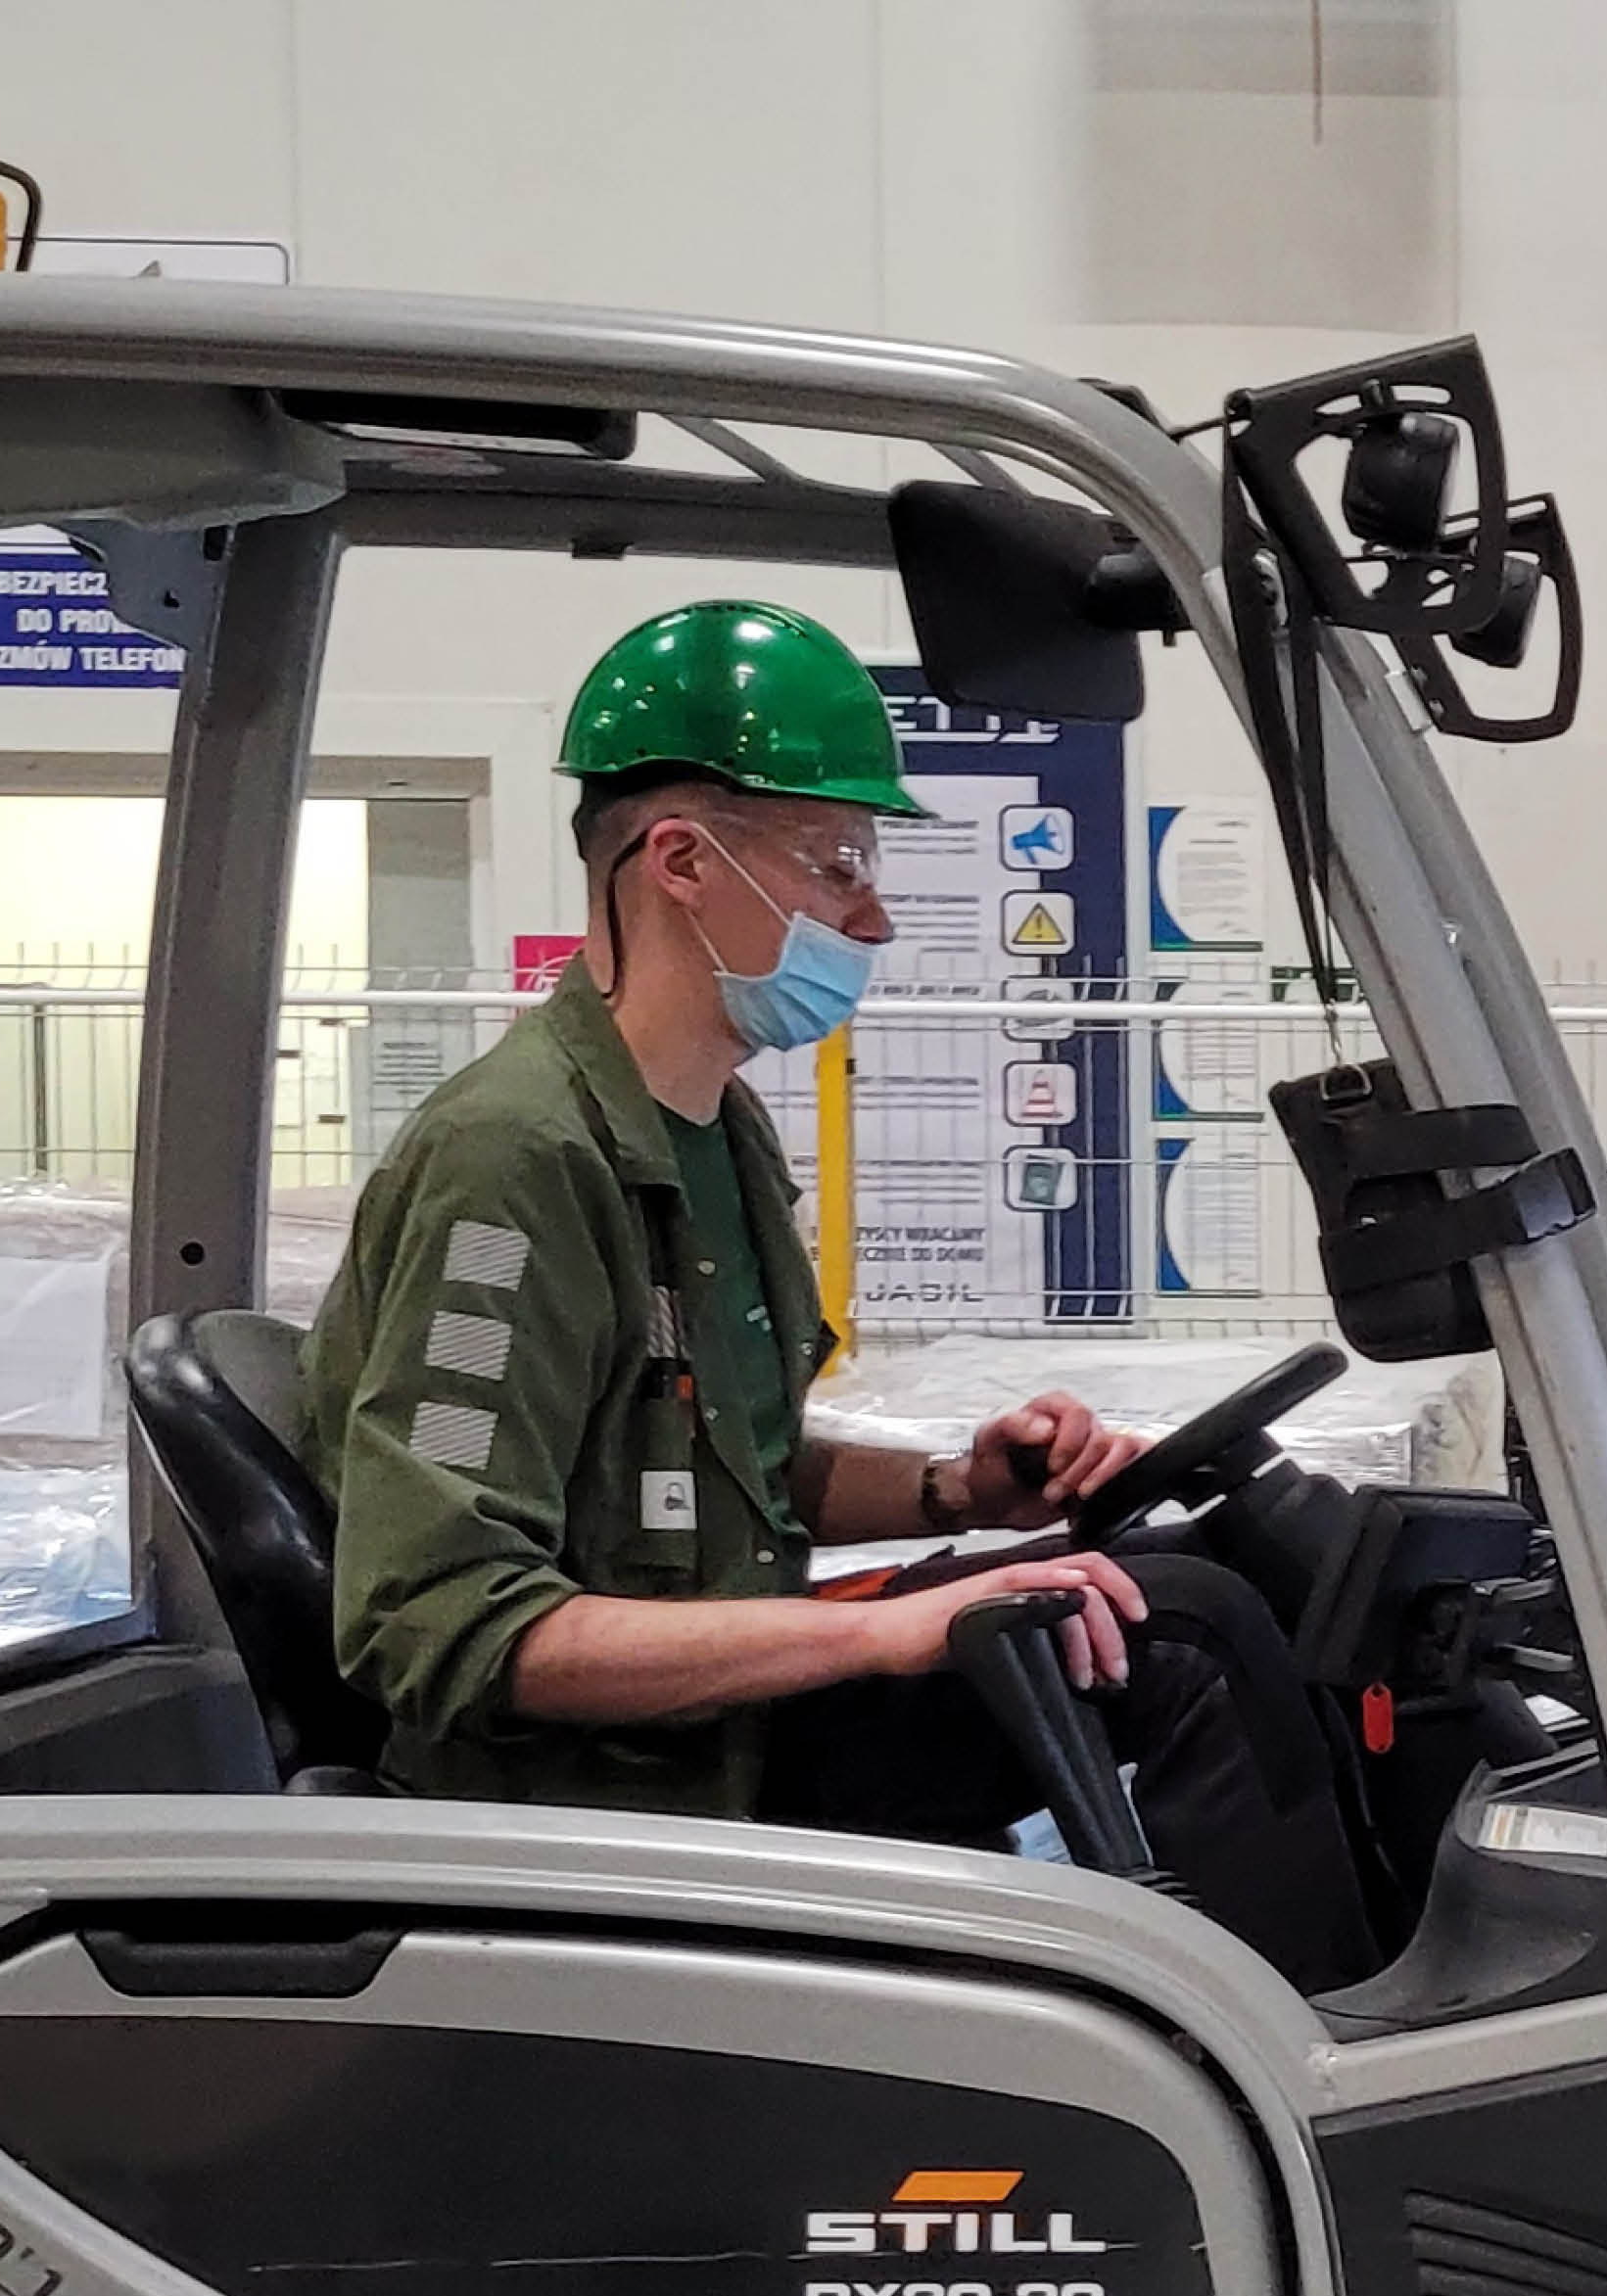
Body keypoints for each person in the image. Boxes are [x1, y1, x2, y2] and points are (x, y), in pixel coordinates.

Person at [297, 602, 1368, 1983]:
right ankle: (1317, 2053)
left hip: (710, 1730)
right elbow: (439, 1623)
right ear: (681, 861)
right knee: (1177, 1642)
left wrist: (957, 1495)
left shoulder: (713, 1131)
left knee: (1220, 1580)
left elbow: (724, 1465)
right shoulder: (515, 1161)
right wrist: (875, 1633)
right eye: (837, 862)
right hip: (608, 1790)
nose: (874, 913)